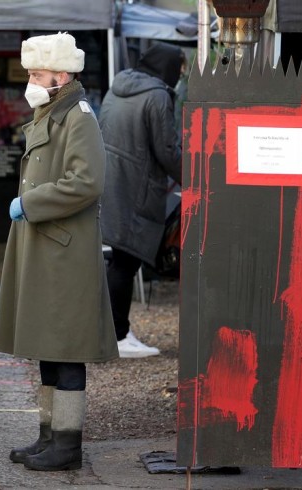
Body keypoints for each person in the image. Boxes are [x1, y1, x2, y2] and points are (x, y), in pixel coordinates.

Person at [0, 32, 117, 472]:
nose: (29, 80)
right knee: (47, 344)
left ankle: (68, 444)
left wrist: (31, 204)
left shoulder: (78, 116)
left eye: (35, 74)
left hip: (64, 249)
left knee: (66, 347)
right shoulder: (54, 110)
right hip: (48, 246)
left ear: (60, 76)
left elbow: (87, 183)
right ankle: (49, 436)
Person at [99, 42, 185, 359]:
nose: (180, 74)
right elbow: (166, 150)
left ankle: (111, 331)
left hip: (112, 180)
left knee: (119, 257)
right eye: (180, 67)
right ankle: (118, 335)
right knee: (126, 260)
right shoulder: (158, 95)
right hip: (138, 186)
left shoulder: (117, 87)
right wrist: (196, 177)